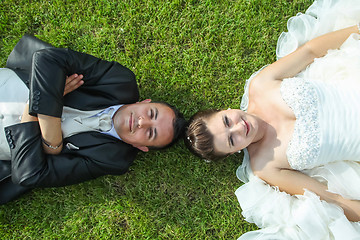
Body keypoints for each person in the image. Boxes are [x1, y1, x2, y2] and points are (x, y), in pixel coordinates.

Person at [185, 0, 360, 238]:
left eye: (227, 121)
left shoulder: (261, 85)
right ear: (232, 152)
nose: (239, 128)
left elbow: (310, 51)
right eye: (231, 140)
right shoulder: (265, 167)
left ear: (224, 109)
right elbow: (330, 198)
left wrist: (357, 30)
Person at [0, 34, 186, 204]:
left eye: (150, 132)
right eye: (151, 113)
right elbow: (47, 58)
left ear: (141, 147)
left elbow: (29, 175)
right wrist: (52, 142)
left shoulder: (112, 159)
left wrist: (36, 106)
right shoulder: (119, 81)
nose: (141, 122)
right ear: (145, 101)